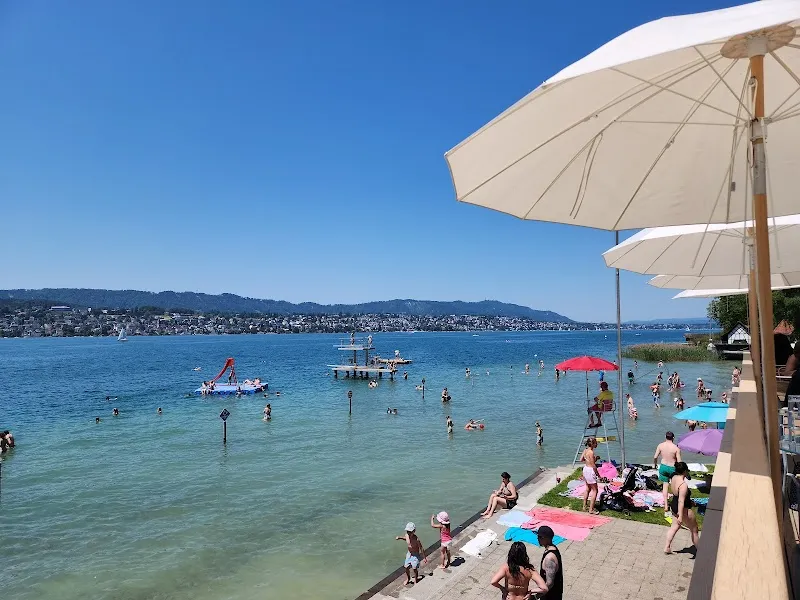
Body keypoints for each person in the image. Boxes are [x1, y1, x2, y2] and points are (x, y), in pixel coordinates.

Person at [664, 462, 701, 554]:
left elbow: (680, 497)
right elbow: (681, 501)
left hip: (674, 505)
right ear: (685, 471)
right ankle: (700, 551)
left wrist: (690, 501)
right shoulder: (683, 485)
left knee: (674, 527)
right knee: (694, 530)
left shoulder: (673, 477)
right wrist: (680, 516)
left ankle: (667, 547)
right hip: (683, 509)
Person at [654, 431, 682, 516]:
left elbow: (655, 457)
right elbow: (679, 461)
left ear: (665, 437)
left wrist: (655, 464)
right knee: (675, 487)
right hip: (672, 468)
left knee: (665, 486)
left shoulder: (660, 445)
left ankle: (666, 505)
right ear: (673, 438)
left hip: (663, 467)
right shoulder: (676, 448)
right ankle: (675, 504)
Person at [537, 525, 563, 600]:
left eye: (540, 537)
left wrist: (536, 596)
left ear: (546, 538)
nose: (538, 539)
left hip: (550, 596)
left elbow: (549, 583)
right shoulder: (552, 548)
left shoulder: (549, 558)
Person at [580, 437, 601, 514]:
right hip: (590, 470)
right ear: (592, 444)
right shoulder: (591, 452)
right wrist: (598, 475)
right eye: (596, 443)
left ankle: (584, 506)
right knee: (595, 490)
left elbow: (581, 459)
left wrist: (593, 459)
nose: (597, 444)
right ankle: (591, 509)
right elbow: (593, 466)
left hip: (585, 469)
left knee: (587, 488)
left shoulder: (585, 450)